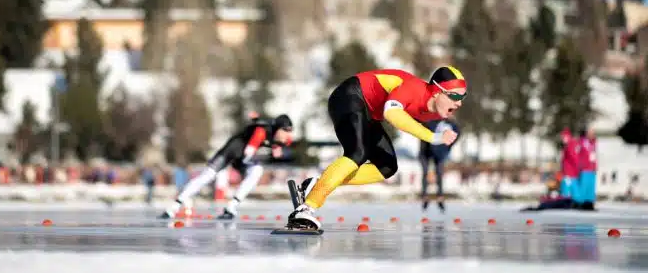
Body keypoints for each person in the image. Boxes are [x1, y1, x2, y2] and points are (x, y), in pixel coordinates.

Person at [286, 66, 465, 231]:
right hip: (349, 96)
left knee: (387, 166)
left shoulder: (435, 112)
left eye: (462, 97)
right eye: (455, 96)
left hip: (368, 112)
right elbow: (391, 112)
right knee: (358, 153)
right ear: (436, 91)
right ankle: (306, 208)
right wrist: (432, 137)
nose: (459, 103)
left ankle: (316, 185)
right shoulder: (413, 88)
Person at [160, 114, 294, 220]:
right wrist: (269, 153)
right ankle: (174, 206)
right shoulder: (260, 131)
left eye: (289, 131)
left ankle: (232, 206)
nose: (287, 134)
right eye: (284, 130)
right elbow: (248, 154)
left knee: (257, 171)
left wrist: (274, 150)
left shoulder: (286, 139)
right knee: (207, 175)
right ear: (276, 129)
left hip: (244, 156)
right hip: (232, 150)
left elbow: (276, 151)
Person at [419, 118, 460, 212]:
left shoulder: (450, 124)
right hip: (425, 150)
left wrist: (448, 147)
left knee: (439, 172)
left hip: (439, 151)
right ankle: (425, 196)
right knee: (425, 172)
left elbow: (457, 133)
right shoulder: (430, 121)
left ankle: (440, 196)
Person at [576, 126, 597, 210]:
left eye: (593, 133)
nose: (593, 134)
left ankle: (590, 203)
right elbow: (577, 154)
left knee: (591, 187)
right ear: (586, 133)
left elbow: (594, 156)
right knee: (584, 186)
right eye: (590, 133)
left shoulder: (594, 143)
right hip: (584, 168)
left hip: (591, 169)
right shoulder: (582, 142)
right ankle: (582, 203)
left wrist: (595, 167)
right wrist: (579, 166)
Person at [559, 128, 580, 204]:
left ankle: (567, 201)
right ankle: (574, 201)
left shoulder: (570, 145)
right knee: (573, 187)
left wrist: (575, 169)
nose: (562, 139)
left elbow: (573, 158)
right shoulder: (570, 144)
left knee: (568, 187)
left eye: (563, 137)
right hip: (570, 172)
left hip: (569, 172)